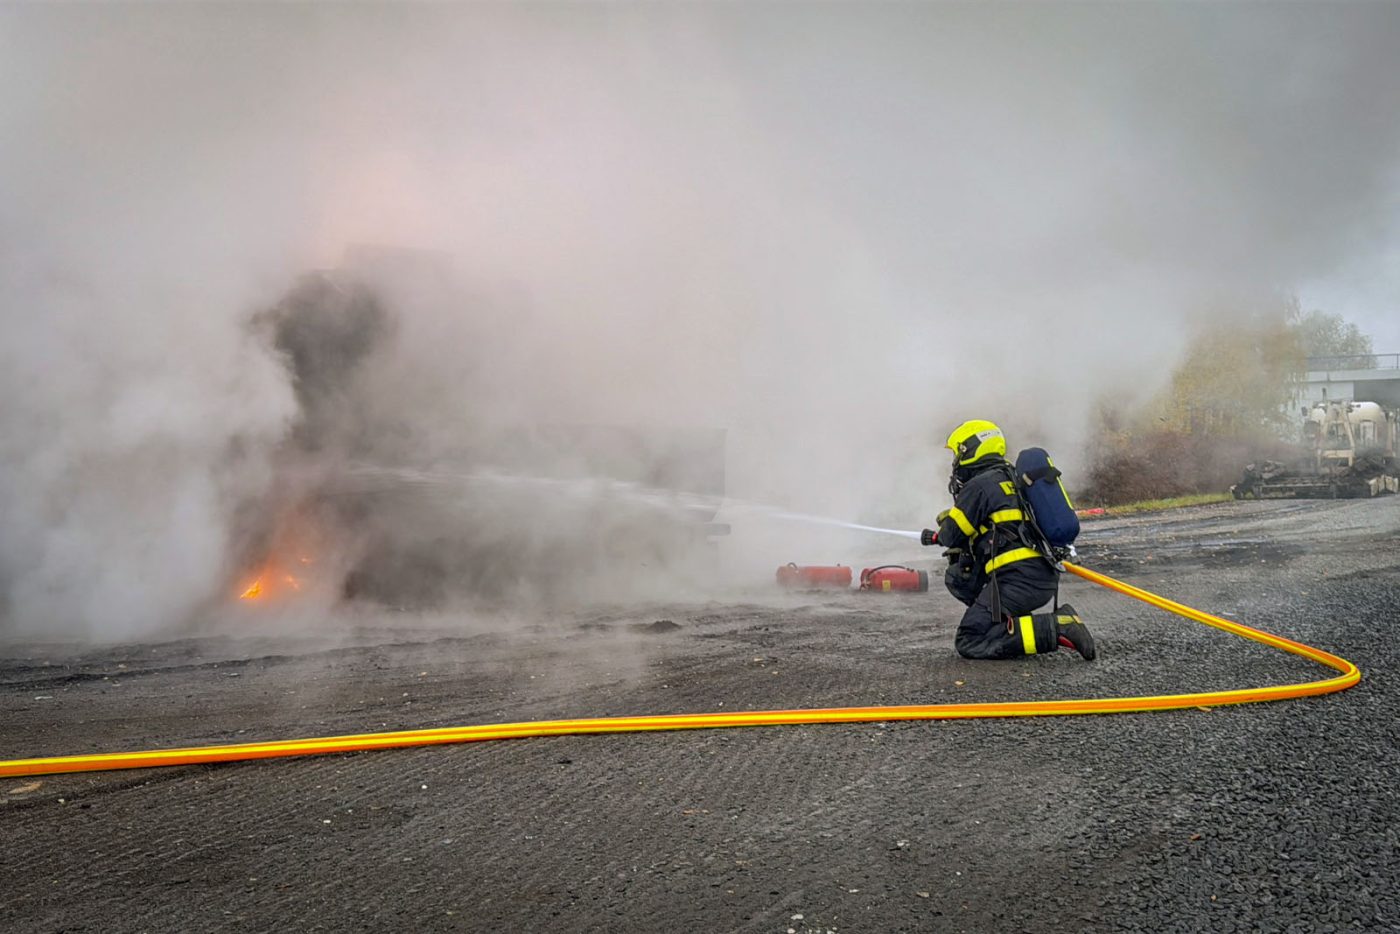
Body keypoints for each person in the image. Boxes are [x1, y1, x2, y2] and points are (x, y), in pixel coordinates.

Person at [926, 419, 1096, 661]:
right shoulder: (1011, 478)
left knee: (970, 639)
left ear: (971, 449)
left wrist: (941, 529)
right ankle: (1012, 626)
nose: (955, 462)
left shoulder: (980, 485)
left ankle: (1058, 626)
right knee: (958, 575)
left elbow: (951, 534)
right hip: (1037, 578)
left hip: (1017, 581)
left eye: (957, 453)